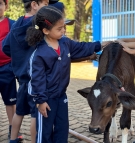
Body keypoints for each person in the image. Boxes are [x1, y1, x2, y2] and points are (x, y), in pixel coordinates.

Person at [25, 6, 109, 143]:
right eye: (59, 29)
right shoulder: (39, 54)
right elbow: (36, 80)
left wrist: (99, 45)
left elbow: (82, 47)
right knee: (45, 132)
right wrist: (40, 101)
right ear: (45, 30)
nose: (63, 31)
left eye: (63, 27)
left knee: (62, 128)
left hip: (61, 97)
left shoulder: (65, 43)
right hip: (46, 99)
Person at [2, 0, 59, 143]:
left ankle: (13, 139)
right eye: (46, 4)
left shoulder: (16, 25)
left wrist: (19, 59)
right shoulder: (40, 27)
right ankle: (35, 141)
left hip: (22, 79)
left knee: (19, 112)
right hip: (37, 80)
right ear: (34, 5)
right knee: (36, 115)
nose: (49, 7)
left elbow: (5, 47)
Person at [0, 0, 17, 139]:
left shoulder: (12, 25)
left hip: (7, 69)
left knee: (10, 102)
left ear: (6, 6)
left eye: (0, 3)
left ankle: (13, 129)